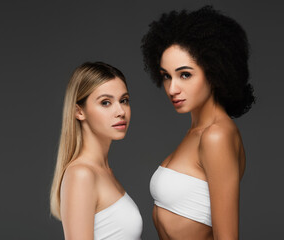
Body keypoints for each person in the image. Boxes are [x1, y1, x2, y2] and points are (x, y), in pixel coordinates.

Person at [141, 6, 255, 240]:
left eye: (185, 74)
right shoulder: (197, 132)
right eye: (166, 76)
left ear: (214, 72)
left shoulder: (217, 135)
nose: (172, 89)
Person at [50, 62, 143, 240]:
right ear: (79, 111)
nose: (120, 111)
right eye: (106, 102)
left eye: (124, 100)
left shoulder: (104, 171)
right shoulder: (81, 174)